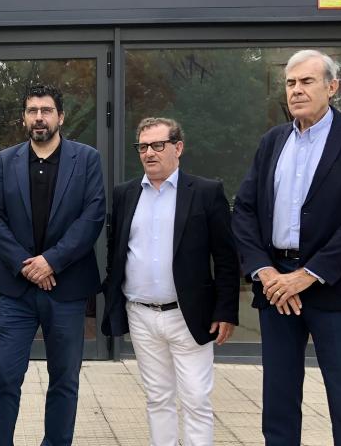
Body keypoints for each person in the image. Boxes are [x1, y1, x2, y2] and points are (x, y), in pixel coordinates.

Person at [231, 50, 341, 445]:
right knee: (279, 406)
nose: (297, 90)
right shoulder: (272, 141)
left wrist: (307, 275)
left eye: (307, 81)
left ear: (332, 87)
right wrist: (265, 272)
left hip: (335, 288)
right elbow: (245, 211)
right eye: (290, 83)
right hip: (276, 290)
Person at [101, 117, 240, 446]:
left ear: (178, 147)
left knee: (195, 400)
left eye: (158, 145)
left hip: (189, 314)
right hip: (141, 314)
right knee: (158, 399)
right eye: (143, 147)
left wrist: (226, 310)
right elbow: (116, 250)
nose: (149, 153)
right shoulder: (125, 194)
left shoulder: (206, 192)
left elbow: (226, 256)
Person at [0, 84, 106, 446]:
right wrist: (27, 265)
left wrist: (51, 261)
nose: (39, 117)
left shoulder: (86, 159)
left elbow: (92, 215)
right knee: (4, 374)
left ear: (60, 117)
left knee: (65, 379)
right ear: (24, 118)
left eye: (47, 110)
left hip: (66, 289)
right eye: (32, 110)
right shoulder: (6, 161)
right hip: (15, 289)